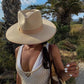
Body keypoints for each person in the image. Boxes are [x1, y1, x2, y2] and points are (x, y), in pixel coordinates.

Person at [6, 9, 79, 84]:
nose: (30, 41)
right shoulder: (18, 50)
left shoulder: (51, 49)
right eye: (27, 37)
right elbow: (19, 77)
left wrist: (69, 72)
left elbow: (61, 75)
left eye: (33, 37)